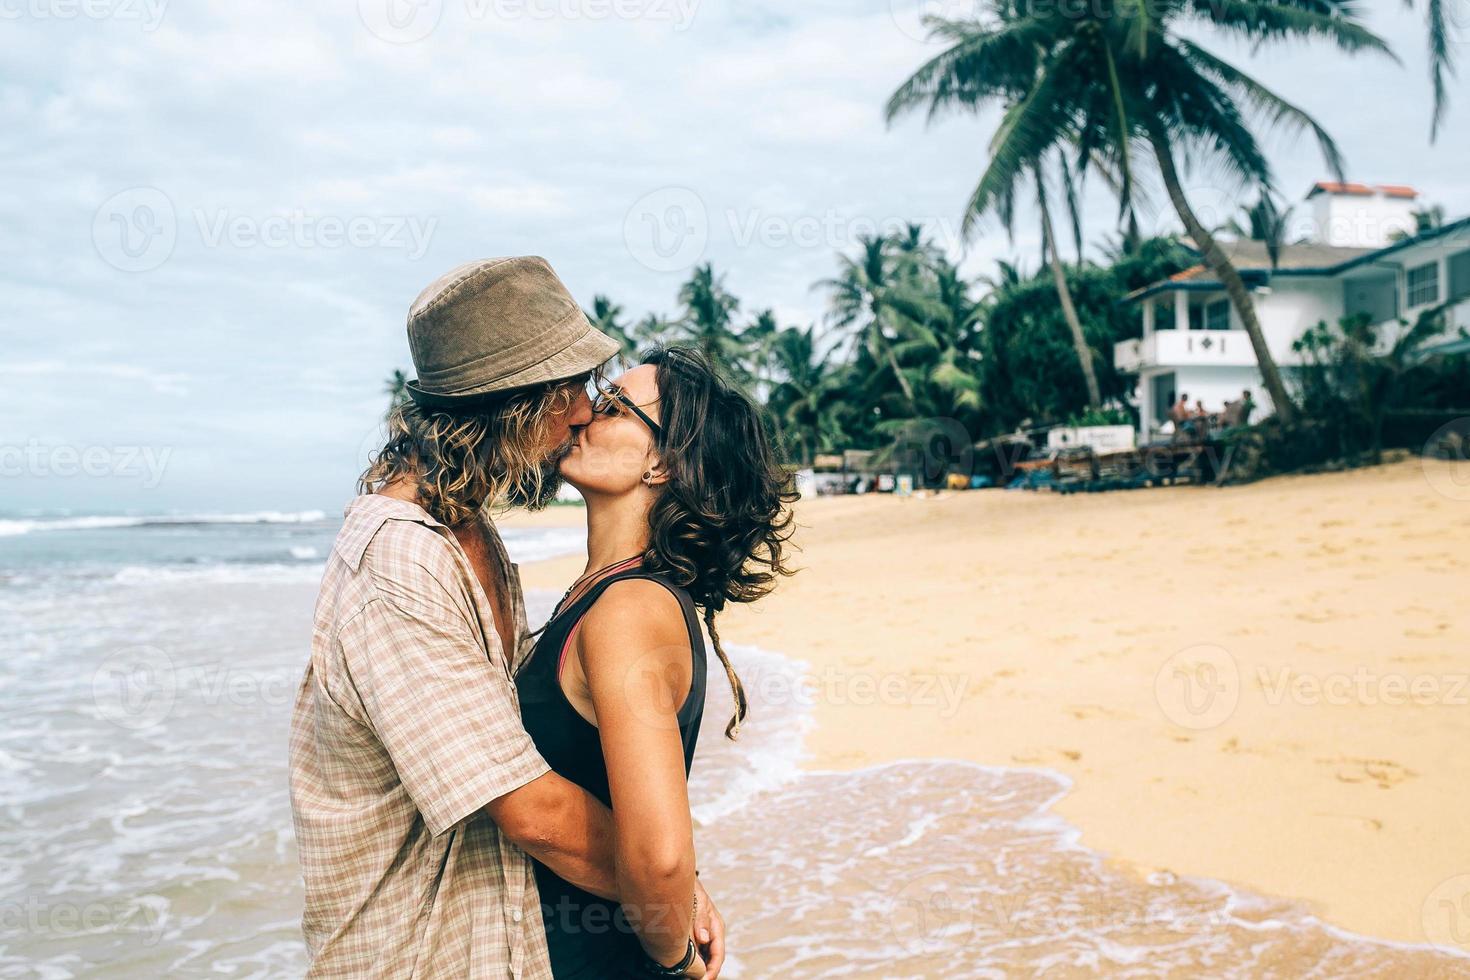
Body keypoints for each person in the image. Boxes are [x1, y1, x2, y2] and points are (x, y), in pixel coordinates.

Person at [289, 257, 726, 979]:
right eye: (572, 393)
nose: (584, 411)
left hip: (489, 941)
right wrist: (670, 899)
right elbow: (532, 810)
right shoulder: (400, 561)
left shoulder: (469, 534)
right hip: (415, 952)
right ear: (518, 404)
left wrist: (669, 888)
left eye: (605, 398)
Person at [516, 347, 796, 978]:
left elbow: (661, 860)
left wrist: (674, 962)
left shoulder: (630, 609)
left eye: (612, 407)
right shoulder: (602, 595)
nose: (581, 412)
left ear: (663, 463)